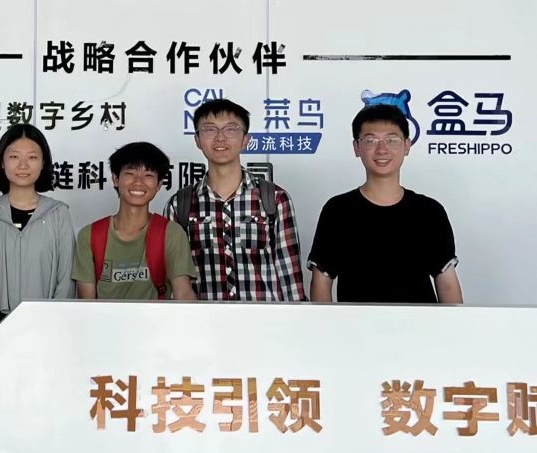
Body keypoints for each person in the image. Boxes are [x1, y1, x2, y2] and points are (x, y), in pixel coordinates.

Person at [308, 104, 464, 304]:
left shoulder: (429, 211)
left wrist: (455, 323)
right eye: (370, 140)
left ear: (407, 145)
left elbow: (447, 284)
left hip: (420, 323)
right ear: (356, 147)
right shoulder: (338, 210)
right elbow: (321, 282)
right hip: (356, 323)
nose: (382, 149)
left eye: (391, 140)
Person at [162, 98, 305, 301]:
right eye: (210, 130)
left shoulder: (274, 199)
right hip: (203, 318)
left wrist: (297, 314)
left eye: (231, 129)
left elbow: (289, 274)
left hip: (265, 319)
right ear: (197, 140)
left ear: (245, 139)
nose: (220, 138)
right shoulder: (180, 205)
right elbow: (174, 280)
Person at [0, 123, 75, 342]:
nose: (23, 165)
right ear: (2, 162)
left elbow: (66, 281)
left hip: (45, 330)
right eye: (14, 157)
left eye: (32, 157)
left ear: (43, 162)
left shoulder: (58, 214)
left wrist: (51, 325)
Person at [72, 142, 198, 301]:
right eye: (130, 173)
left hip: (155, 317)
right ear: (115, 179)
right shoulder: (90, 235)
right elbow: (86, 303)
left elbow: (184, 293)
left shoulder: (171, 233)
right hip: (103, 318)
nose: (138, 182)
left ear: (159, 185)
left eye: (148, 175)